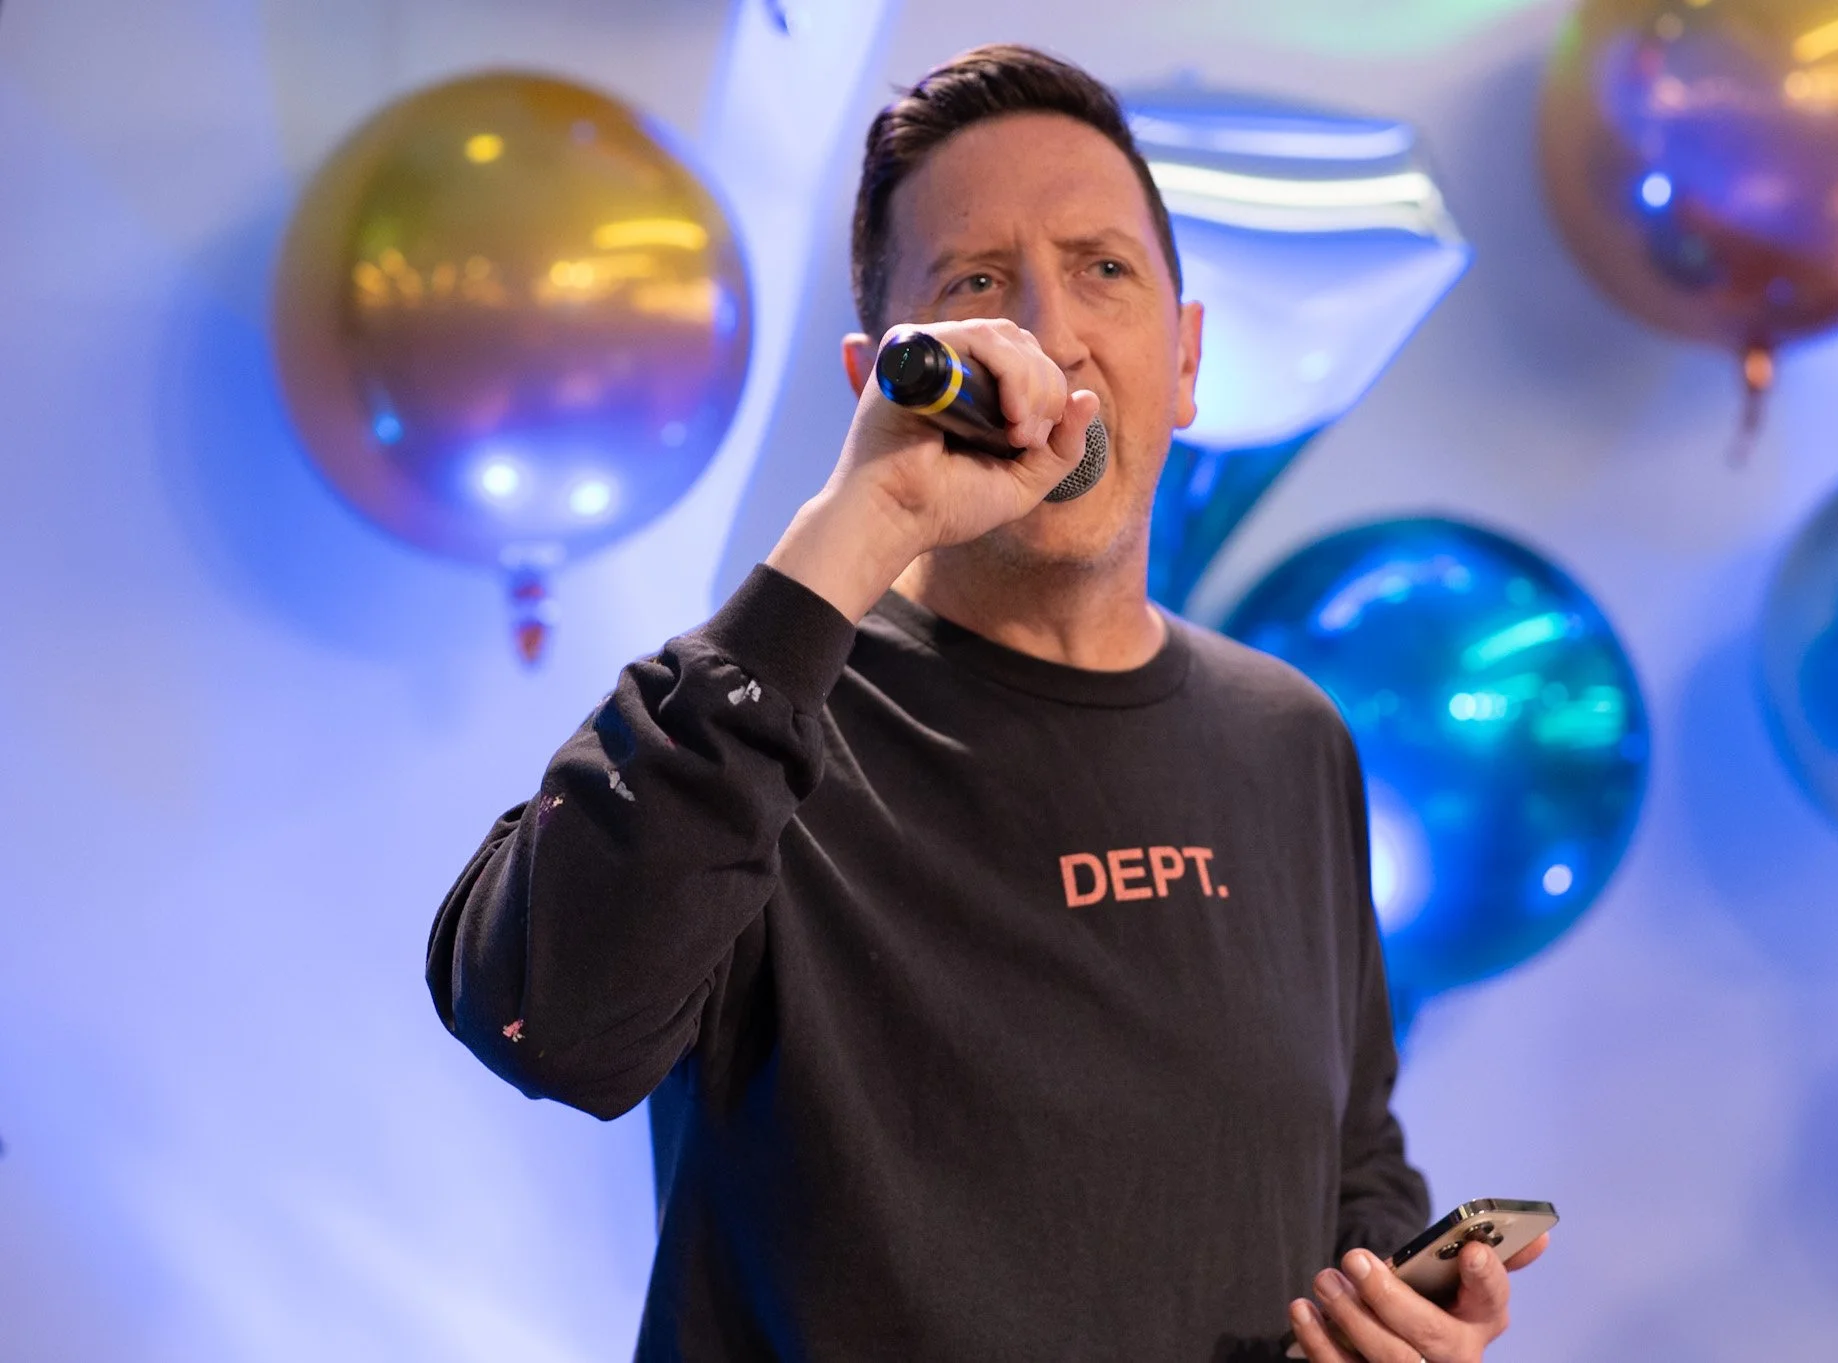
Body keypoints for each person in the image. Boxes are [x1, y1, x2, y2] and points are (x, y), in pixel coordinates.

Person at [428, 43, 1546, 1363]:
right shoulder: (760, 715)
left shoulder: (1287, 737)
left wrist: (1394, 1310)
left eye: (1103, 271)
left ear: (1184, 362)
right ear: (879, 379)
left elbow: (1346, 1151)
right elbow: (545, 1021)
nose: (1048, 334)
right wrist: (865, 521)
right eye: (975, 284)